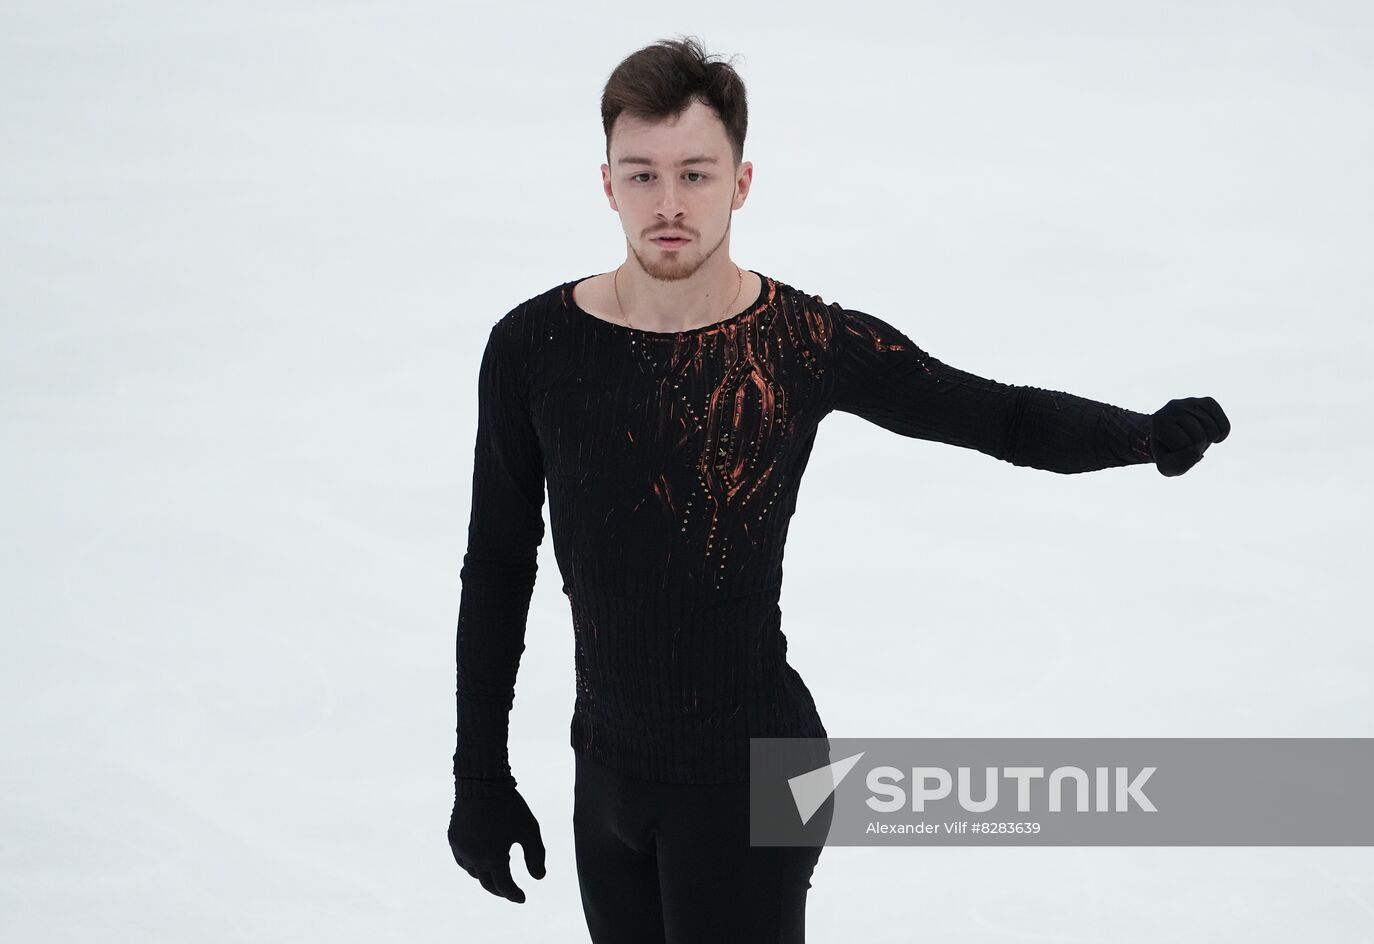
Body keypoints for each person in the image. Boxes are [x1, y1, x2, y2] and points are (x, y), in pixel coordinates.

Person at [446, 35, 1230, 944]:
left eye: (696, 175)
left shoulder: (801, 343)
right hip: (609, 779)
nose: (669, 205)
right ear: (607, 181)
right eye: (643, 175)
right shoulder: (533, 348)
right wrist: (480, 777)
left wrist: (1139, 436)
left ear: (741, 182)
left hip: (757, 772)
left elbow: (995, 416)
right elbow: (497, 569)